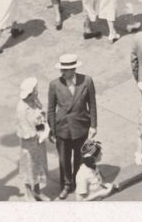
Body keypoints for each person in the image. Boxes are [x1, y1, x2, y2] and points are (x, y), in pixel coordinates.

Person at [48, 53, 97, 199]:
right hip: (62, 128)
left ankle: (77, 181)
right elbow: (50, 109)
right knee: (63, 158)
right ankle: (66, 184)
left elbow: (92, 104)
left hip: (81, 126)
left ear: (73, 69)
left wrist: (93, 125)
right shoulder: (54, 85)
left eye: (65, 70)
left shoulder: (87, 81)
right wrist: (52, 130)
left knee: (79, 157)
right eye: (61, 69)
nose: (62, 72)